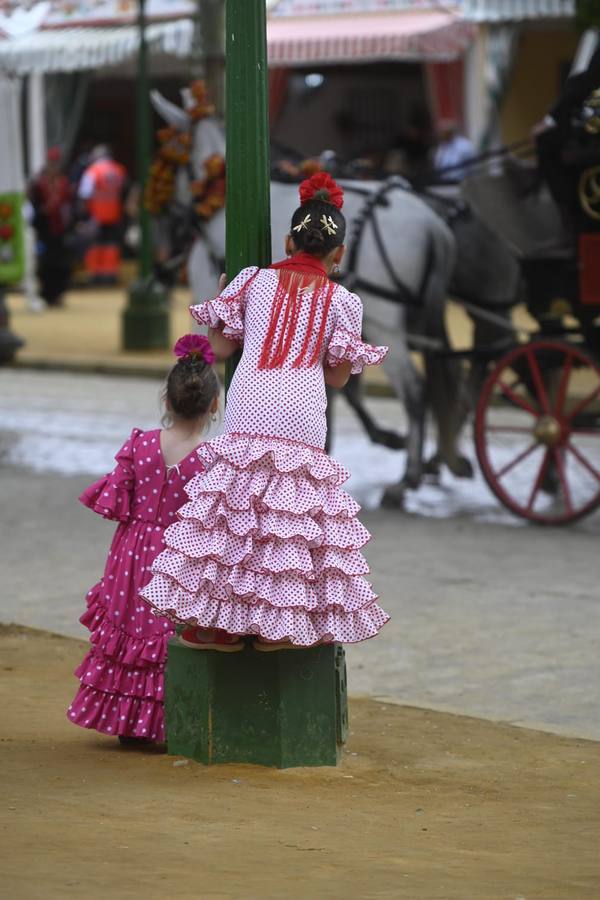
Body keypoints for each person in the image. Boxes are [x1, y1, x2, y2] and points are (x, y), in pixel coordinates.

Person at [140, 172, 390, 651]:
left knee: (240, 517)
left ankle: (223, 625)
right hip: (301, 419)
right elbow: (338, 376)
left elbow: (219, 346)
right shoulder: (344, 301)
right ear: (338, 254)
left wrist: (222, 292)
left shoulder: (253, 282)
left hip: (251, 409)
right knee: (286, 524)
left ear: (289, 240)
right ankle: (284, 626)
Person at [67, 334, 220, 743]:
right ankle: (165, 724)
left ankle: (127, 724)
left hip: (131, 554)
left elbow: (114, 499)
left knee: (125, 631)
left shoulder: (140, 445)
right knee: (167, 635)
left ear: (166, 401)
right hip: (178, 558)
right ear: (214, 406)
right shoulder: (211, 459)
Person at [28, 146, 73, 306]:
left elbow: (69, 205)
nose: (54, 166)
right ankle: (47, 294)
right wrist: (42, 211)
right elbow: (32, 206)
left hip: (60, 229)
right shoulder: (39, 185)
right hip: (45, 230)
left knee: (61, 263)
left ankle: (59, 293)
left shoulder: (63, 183)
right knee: (46, 263)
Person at [78, 144, 127, 284]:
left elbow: (84, 193)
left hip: (96, 215)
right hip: (115, 214)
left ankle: (96, 274)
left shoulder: (93, 171)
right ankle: (111, 274)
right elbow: (125, 190)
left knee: (96, 244)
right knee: (111, 243)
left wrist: (83, 215)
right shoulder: (119, 169)